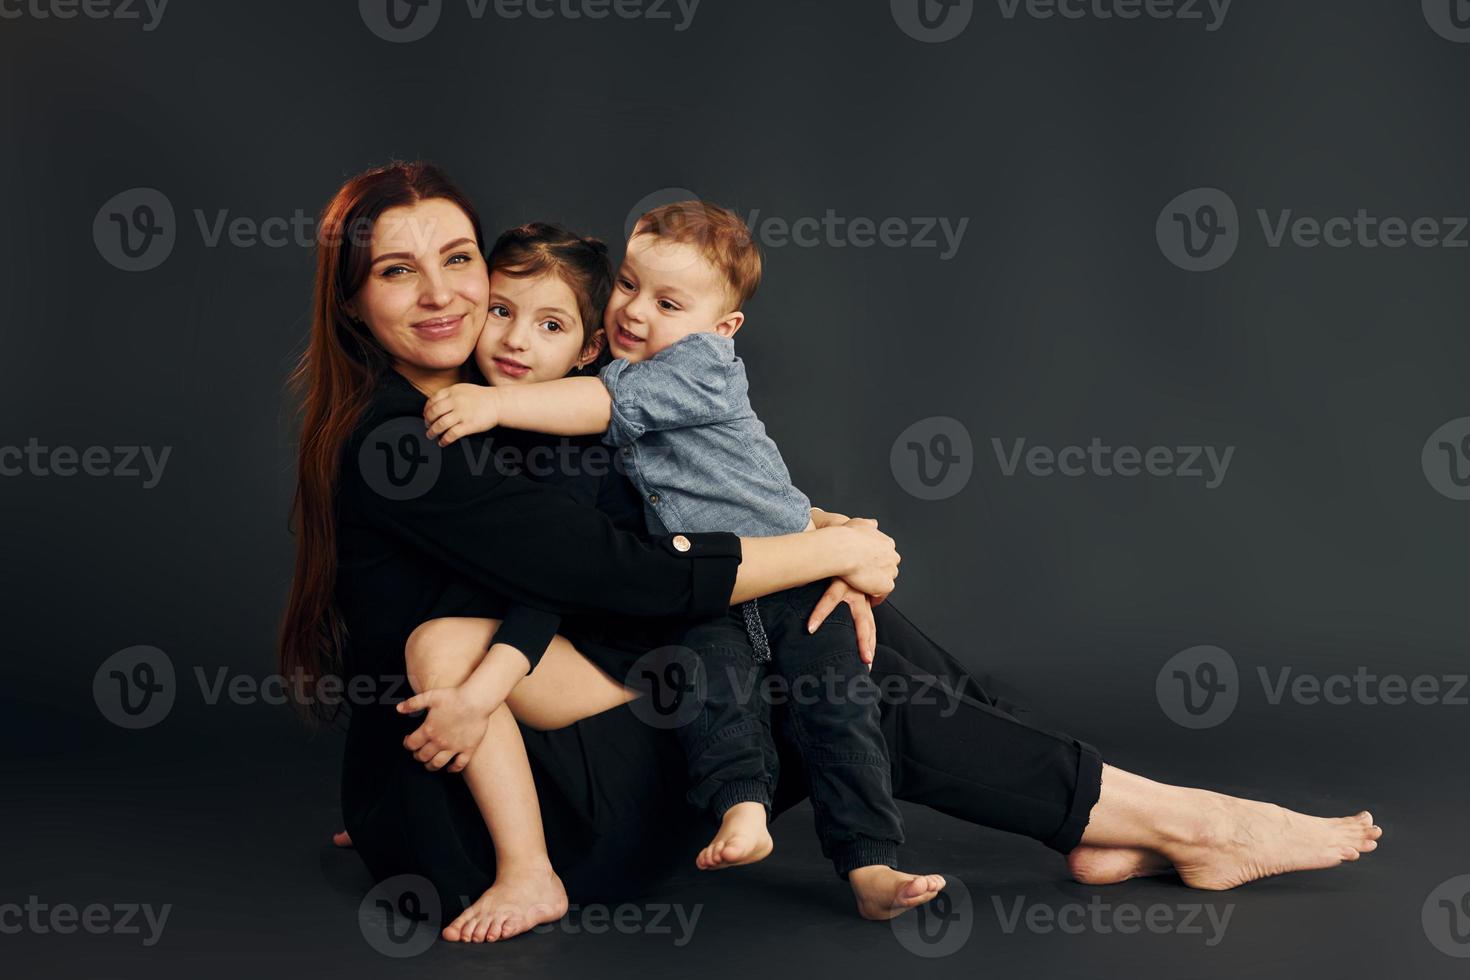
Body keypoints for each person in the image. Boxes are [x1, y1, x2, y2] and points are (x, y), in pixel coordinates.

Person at [283, 161, 1382, 947]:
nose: (447, 296)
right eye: (397, 271)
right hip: (529, 832)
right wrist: (833, 546)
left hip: (489, 775)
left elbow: (623, 532)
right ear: (352, 296)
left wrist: (811, 533)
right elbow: (628, 574)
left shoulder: (483, 404)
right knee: (835, 658)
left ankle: (1108, 813)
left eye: (460, 258)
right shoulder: (414, 440)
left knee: (839, 635)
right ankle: (1188, 821)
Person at [420, 200, 920, 910]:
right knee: (717, 695)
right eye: (627, 285)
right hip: (715, 591)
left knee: (838, 710)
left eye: (667, 302)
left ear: (722, 329)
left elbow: (597, 407)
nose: (634, 312)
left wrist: (491, 405)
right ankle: (743, 807)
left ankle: (871, 865)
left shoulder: (698, 367)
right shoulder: (628, 377)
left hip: (785, 578)